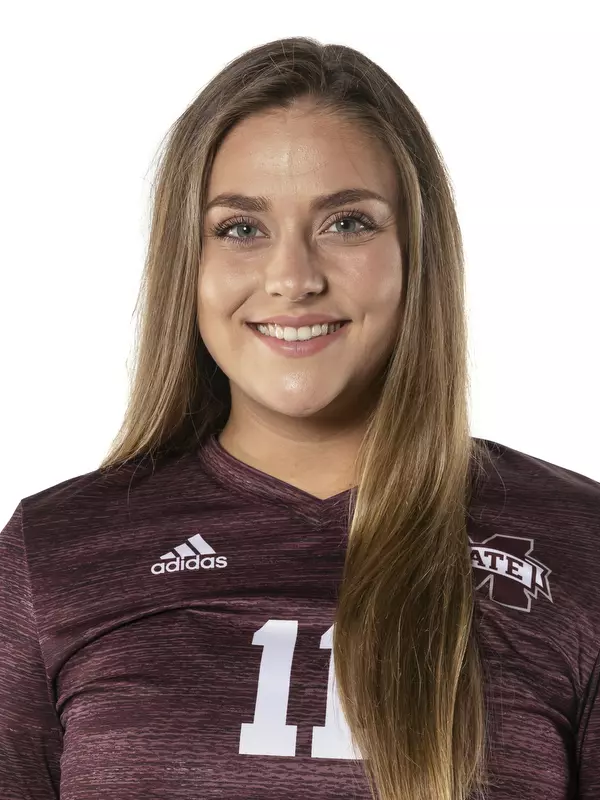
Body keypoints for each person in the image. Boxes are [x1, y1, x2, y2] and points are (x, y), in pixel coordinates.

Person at [1, 35, 599, 800]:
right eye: (240, 229)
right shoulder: (53, 556)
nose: (292, 278)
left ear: (418, 252)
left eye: (347, 223)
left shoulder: (581, 547)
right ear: (188, 260)